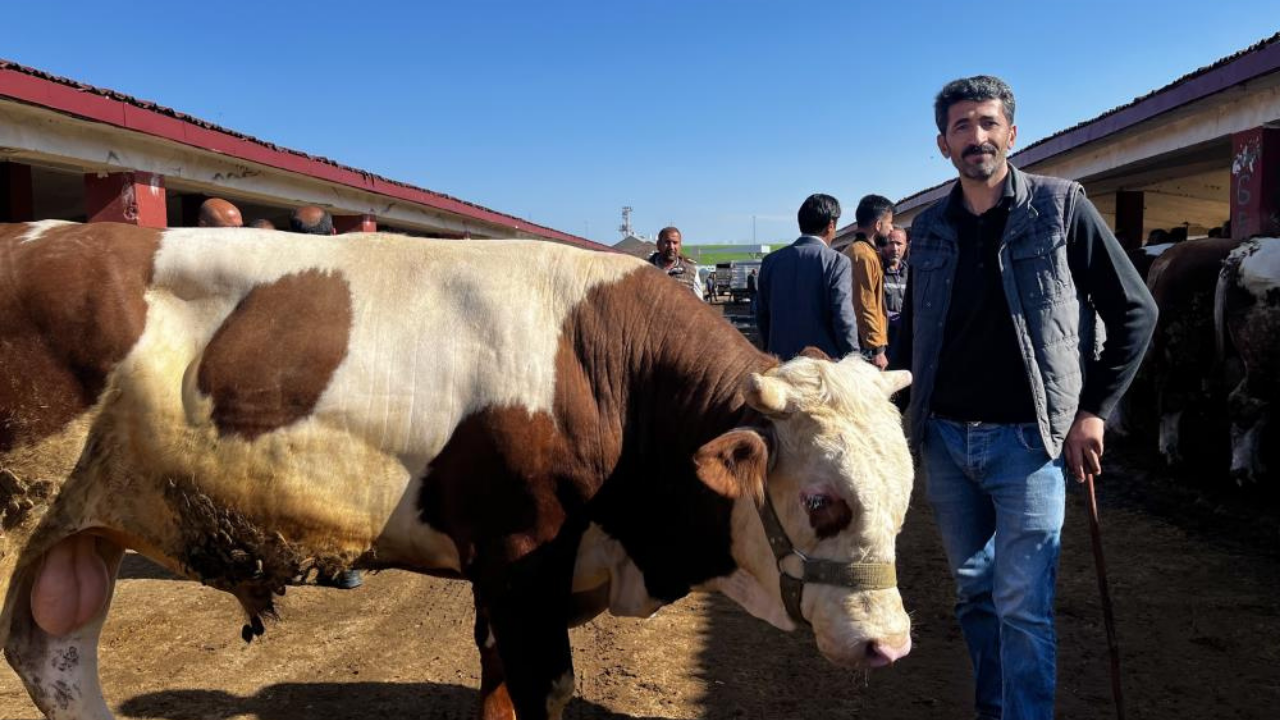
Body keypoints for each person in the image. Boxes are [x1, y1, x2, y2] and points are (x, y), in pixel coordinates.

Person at [895, 75, 1157, 720]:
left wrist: (1094, 411)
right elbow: (911, 337)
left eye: (988, 123)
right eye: (962, 126)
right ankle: (996, 707)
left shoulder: (1061, 207)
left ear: (1011, 133)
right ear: (942, 145)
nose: (976, 136)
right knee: (974, 594)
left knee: (1021, 604)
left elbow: (1134, 311)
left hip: (1031, 442)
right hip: (947, 440)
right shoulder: (927, 229)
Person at [755, 194, 860, 360]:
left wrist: (770, 347)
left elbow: (761, 314)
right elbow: (843, 317)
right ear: (831, 225)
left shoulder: (771, 261)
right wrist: (854, 357)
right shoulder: (837, 262)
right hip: (823, 366)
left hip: (780, 363)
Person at [845, 195, 894, 369]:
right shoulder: (863, 256)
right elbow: (865, 304)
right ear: (878, 225)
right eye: (889, 224)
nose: (891, 230)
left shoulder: (863, 252)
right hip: (865, 347)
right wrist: (877, 349)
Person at [647, 227, 702, 298]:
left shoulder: (691, 273)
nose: (671, 247)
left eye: (675, 243)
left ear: (680, 246)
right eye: (667, 242)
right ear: (658, 245)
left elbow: (699, 304)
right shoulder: (645, 269)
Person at [880, 226, 909, 357]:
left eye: (899, 243)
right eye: (890, 243)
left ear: (906, 246)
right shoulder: (877, 271)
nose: (894, 248)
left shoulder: (911, 272)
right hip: (883, 345)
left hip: (906, 341)